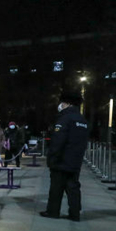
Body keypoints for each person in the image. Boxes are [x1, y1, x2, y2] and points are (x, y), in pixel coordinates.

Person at [40, 90, 89, 221]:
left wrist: (52, 158)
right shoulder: (82, 120)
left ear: (67, 103)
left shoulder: (64, 118)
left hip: (61, 160)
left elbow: (58, 141)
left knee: (56, 188)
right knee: (73, 188)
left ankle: (53, 211)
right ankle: (75, 214)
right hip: (75, 160)